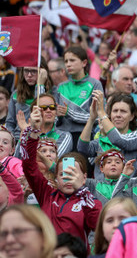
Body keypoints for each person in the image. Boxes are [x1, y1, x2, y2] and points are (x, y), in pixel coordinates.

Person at [21, 105, 102, 248]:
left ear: (84, 178)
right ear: (56, 178)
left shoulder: (89, 201)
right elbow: (29, 166)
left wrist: (82, 191)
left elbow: (98, 226)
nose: (68, 178)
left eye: (73, 174)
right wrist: (33, 133)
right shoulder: (47, 194)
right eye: (63, 174)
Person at [78, 91, 137, 178]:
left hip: (125, 190)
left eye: (123, 111)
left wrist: (102, 113)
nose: (118, 115)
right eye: (115, 111)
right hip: (101, 190)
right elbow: (82, 148)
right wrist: (92, 118)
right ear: (110, 114)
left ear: (132, 116)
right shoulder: (102, 140)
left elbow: (119, 140)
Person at [54, 46, 104, 148]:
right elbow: (56, 119)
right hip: (62, 136)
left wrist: (69, 112)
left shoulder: (94, 84)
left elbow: (97, 117)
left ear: (84, 63)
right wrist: (57, 115)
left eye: (72, 60)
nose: (68, 64)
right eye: (66, 61)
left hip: (84, 136)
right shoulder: (61, 86)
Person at [5, 62, 52, 141]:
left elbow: (41, 108)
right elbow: (10, 122)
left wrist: (40, 85)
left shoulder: (52, 93)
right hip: (18, 138)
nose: (29, 75)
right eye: (26, 71)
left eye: (34, 71)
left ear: (42, 72)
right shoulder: (16, 94)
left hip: (40, 138)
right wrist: (11, 140)